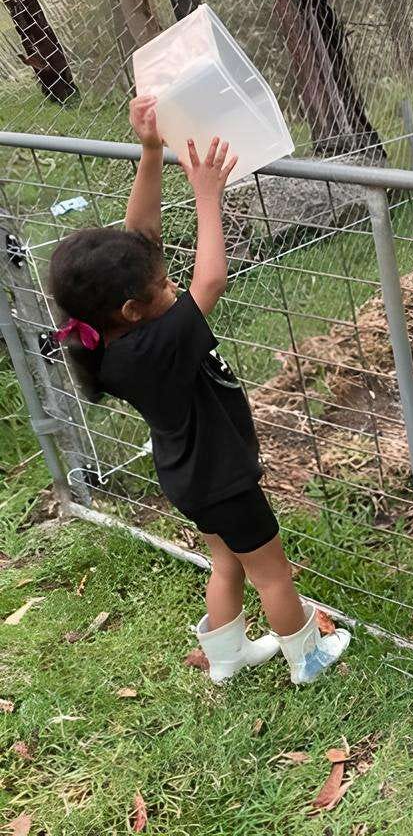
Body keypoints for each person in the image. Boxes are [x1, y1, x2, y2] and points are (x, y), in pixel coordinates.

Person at [48, 96, 350, 685]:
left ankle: (227, 657)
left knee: (224, 560)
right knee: (272, 572)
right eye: (165, 284)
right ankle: (307, 658)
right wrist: (207, 196)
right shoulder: (157, 345)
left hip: (188, 475)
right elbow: (211, 277)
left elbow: (141, 237)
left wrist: (151, 151)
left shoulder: (116, 340)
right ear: (133, 309)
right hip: (223, 477)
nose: (174, 284)